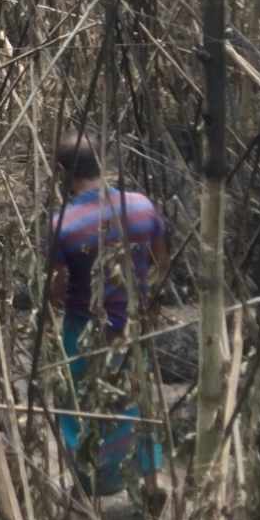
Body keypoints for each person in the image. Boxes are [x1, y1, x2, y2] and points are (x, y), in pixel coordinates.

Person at [42, 130, 169, 495]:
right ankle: (149, 483)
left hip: (83, 327)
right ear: (103, 163)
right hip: (132, 325)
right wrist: (141, 299)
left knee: (76, 403)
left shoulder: (62, 224)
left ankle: (89, 482)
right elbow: (161, 263)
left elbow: (57, 286)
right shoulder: (142, 206)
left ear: (61, 172)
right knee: (137, 402)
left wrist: (53, 305)